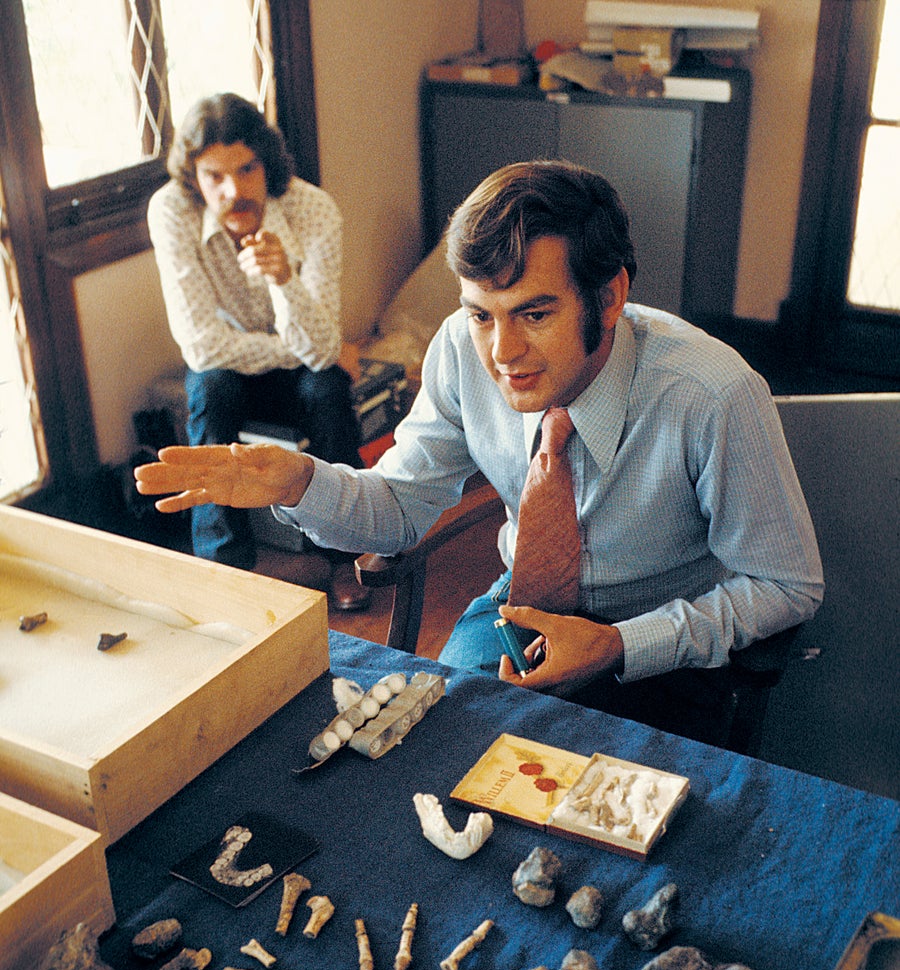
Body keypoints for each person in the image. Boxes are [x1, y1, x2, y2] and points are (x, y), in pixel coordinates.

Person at [136, 159, 824, 746]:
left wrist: (621, 645)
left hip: (663, 643)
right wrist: (297, 484)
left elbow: (786, 585)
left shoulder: (714, 394)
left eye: (534, 313)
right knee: (421, 760)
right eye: (480, 313)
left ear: (610, 295)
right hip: (518, 611)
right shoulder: (460, 350)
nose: (502, 354)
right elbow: (400, 506)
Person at [147, 92, 369, 610]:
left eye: (247, 169)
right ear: (194, 180)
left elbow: (317, 354)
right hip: (231, 368)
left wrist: (284, 280)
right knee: (209, 388)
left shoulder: (313, 210)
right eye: (214, 177)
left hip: (299, 372)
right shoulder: (172, 212)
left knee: (329, 387)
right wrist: (315, 348)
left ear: (266, 162)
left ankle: (344, 560)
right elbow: (203, 346)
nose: (234, 190)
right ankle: (225, 571)